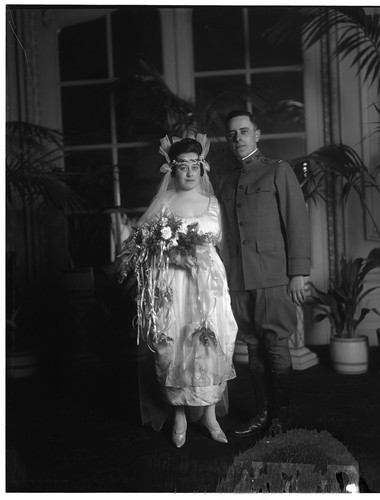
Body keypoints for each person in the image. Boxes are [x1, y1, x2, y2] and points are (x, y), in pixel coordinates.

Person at [119, 134, 237, 448]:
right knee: (171, 347)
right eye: (182, 165)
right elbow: (142, 245)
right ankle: (180, 415)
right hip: (171, 282)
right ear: (173, 169)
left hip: (208, 285)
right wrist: (170, 254)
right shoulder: (164, 203)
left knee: (209, 345)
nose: (188, 172)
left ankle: (210, 414)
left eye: (194, 165)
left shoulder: (214, 204)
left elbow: (224, 244)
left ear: (203, 168)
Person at [219, 110, 310, 439]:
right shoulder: (227, 182)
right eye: (232, 134)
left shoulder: (277, 171)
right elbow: (226, 234)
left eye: (244, 131)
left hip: (273, 275)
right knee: (253, 348)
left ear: (257, 134)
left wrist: (298, 272)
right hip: (239, 278)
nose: (238, 138)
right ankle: (262, 414)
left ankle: (280, 420)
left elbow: (296, 222)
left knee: (275, 345)